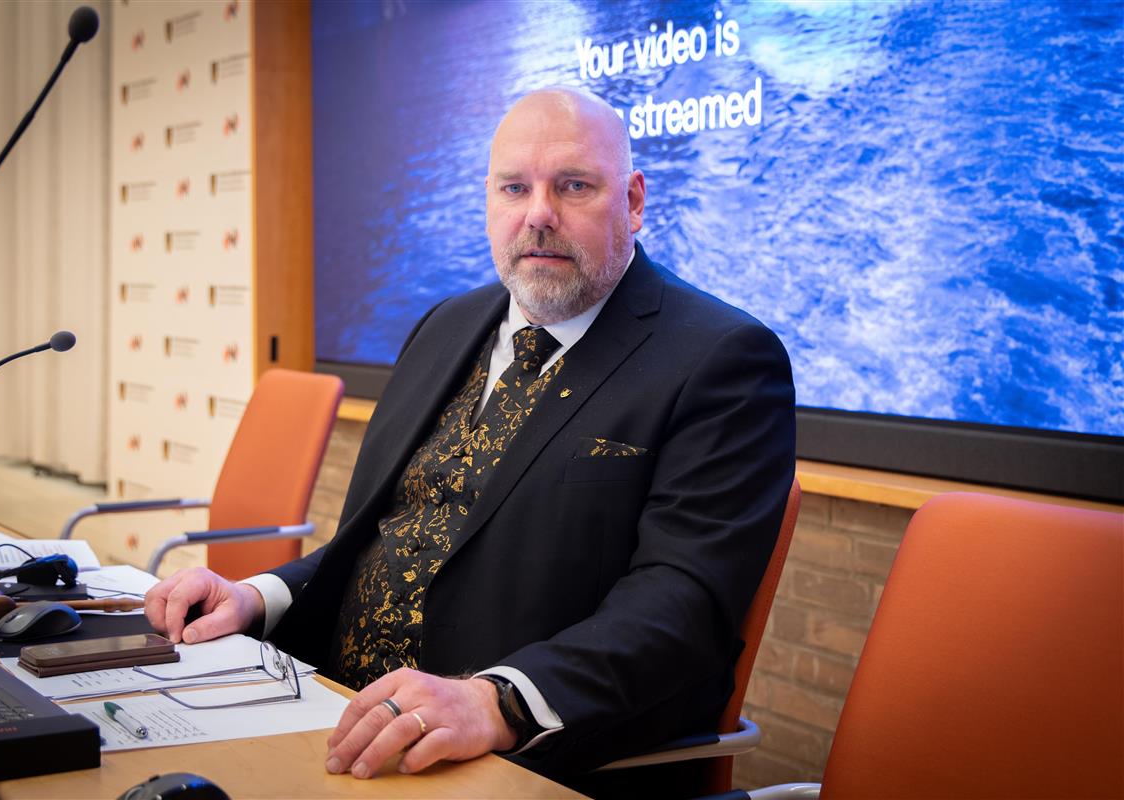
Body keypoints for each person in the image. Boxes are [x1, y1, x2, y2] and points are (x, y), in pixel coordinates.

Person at [145, 87, 795, 785]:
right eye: (515, 188)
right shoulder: (444, 327)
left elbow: (681, 607)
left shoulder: (721, 359)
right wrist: (257, 598)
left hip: (514, 761)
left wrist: (496, 701)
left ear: (633, 202)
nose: (538, 214)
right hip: (332, 714)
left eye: (574, 186)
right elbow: (391, 540)